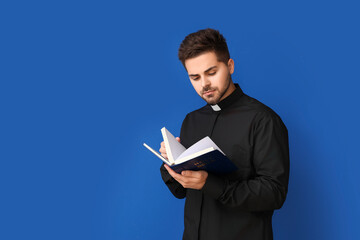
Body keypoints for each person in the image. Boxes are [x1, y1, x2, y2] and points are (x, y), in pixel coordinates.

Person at [159, 28, 290, 240]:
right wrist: (171, 163)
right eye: (195, 77)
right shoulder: (191, 120)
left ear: (229, 66)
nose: (204, 84)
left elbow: (274, 194)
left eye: (211, 72)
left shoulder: (263, 120)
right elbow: (180, 192)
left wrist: (210, 184)